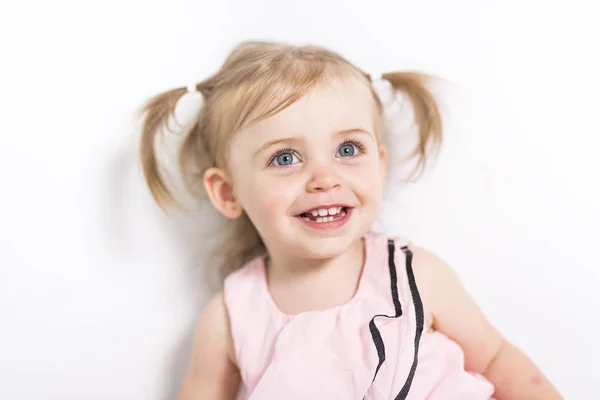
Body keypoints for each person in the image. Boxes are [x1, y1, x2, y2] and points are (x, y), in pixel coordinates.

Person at [138, 41, 562, 399]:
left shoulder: (413, 273)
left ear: (379, 164)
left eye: (347, 150)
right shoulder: (230, 317)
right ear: (229, 193)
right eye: (285, 158)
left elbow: (496, 360)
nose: (324, 179)